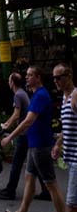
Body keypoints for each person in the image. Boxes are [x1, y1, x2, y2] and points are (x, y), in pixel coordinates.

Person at [1, 66, 65, 212]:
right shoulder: (36, 95)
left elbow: (28, 121)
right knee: (29, 178)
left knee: (51, 185)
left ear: (38, 78)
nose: (27, 77)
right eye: (27, 75)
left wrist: (10, 136)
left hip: (41, 146)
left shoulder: (40, 95)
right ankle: (22, 210)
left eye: (30, 75)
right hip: (34, 144)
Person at [0, 72, 50, 200]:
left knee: (17, 162)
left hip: (24, 133)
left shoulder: (18, 95)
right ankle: (46, 191)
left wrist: (7, 127)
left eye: (9, 80)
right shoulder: (23, 93)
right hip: (28, 132)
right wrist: (8, 124)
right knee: (35, 164)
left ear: (12, 82)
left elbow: (17, 115)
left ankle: (10, 191)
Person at [51, 63, 77, 212]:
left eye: (58, 78)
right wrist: (57, 144)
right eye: (54, 78)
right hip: (72, 159)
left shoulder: (75, 96)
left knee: (71, 205)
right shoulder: (64, 97)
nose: (55, 81)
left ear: (69, 76)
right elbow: (67, 128)